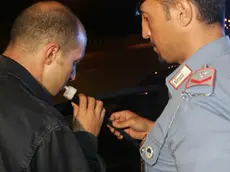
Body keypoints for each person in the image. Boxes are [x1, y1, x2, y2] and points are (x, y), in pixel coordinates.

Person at [109, 0, 230, 171]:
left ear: (183, 12)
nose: (144, 32)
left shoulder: (197, 104)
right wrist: (157, 132)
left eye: (147, 18)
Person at [0, 1, 106, 172]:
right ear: (51, 54)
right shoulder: (46, 127)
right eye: (74, 62)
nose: (73, 75)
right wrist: (85, 140)